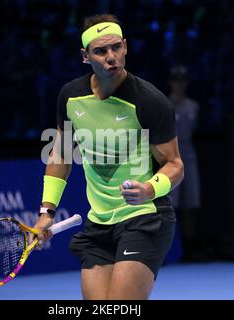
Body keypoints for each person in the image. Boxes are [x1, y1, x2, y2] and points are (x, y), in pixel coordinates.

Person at [31, 14, 184, 300]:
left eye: (116, 47)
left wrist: (150, 188)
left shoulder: (150, 101)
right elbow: (61, 155)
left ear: (125, 46)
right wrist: (45, 213)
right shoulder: (71, 96)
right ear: (85, 56)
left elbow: (175, 165)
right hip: (98, 224)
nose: (111, 57)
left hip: (144, 218)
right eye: (101, 51)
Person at [166, 65, 203, 261]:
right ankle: (170, 250)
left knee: (191, 205)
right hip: (170, 155)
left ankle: (190, 249)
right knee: (171, 206)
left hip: (189, 155)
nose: (179, 85)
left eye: (182, 81)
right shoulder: (164, 104)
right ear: (170, 82)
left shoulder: (193, 106)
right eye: (175, 80)